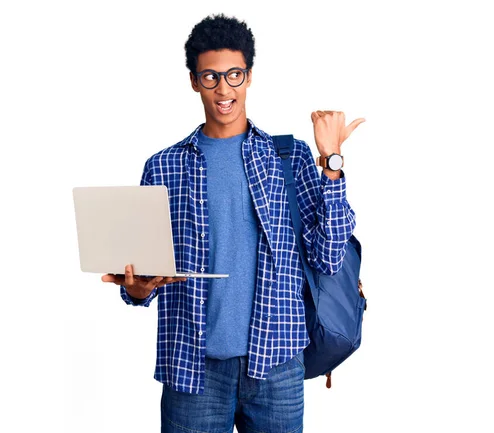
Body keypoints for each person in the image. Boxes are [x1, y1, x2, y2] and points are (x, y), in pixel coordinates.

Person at [102, 13, 364, 433]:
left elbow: (329, 255)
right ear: (193, 81)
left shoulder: (288, 157)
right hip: (192, 371)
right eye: (210, 76)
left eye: (234, 74)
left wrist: (331, 162)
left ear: (249, 75)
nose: (223, 89)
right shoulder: (163, 168)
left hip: (276, 364)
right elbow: (141, 281)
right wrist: (136, 288)